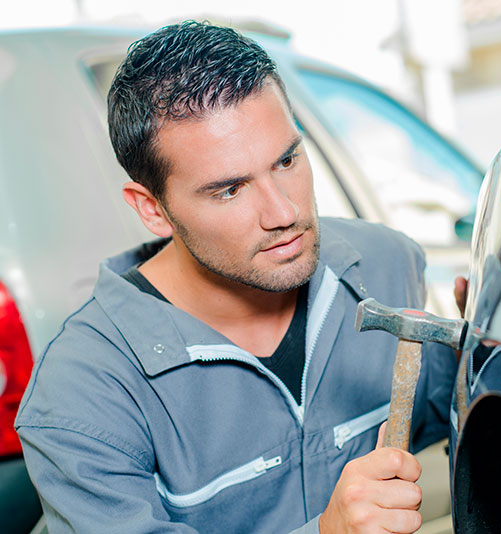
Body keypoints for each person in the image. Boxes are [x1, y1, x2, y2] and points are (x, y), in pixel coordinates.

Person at [15, 21, 457, 534]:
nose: (284, 211)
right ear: (152, 209)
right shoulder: (83, 391)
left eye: (287, 160)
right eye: (229, 190)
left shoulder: (384, 264)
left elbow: (469, 418)